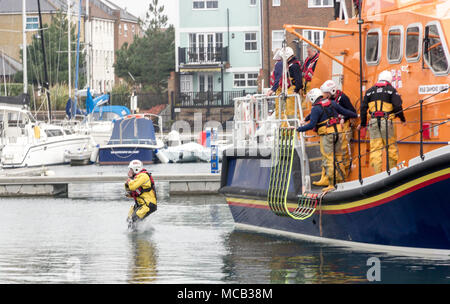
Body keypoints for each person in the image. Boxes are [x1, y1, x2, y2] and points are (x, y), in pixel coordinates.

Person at [297, 88, 357, 190]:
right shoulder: (332, 103)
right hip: (338, 133)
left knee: (328, 159)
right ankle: (341, 180)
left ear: (312, 98)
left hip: (327, 135)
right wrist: (355, 115)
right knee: (338, 157)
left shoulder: (316, 108)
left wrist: (299, 129)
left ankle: (331, 184)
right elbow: (345, 111)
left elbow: (312, 124)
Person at [359, 70, 406, 174]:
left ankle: (378, 174)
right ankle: (392, 172)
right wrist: (402, 119)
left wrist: (362, 124)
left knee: (375, 149)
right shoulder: (391, 90)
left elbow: (363, 108)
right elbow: (398, 106)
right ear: (389, 80)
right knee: (391, 147)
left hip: (373, 122)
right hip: (387, 122)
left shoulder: (369, 91)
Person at [320, 80, 356, 176]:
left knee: (343, 149)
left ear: (331, 91)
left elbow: (352, 111)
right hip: (334, 127)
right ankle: (336, 172)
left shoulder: (343, 98)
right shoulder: (329, 101)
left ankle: (345, 171)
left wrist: (343, 118)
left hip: (344, 127)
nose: (324, 95)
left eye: (326, 93)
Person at [266, 46, 303, 123]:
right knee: (287, 112)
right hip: (287, 91)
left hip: (292, 92)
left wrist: (296, 91)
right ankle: (289, 128)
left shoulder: (294, 66)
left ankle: (294, 128)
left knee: (291, 112)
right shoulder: (290, 65)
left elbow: (298, 81)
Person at [125, 159, 157, 228]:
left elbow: (133, 187)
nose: (129, 171)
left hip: (148, 204)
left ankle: (137, 236)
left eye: (131, 169)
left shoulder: (143, 176)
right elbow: (129, 189)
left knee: (134, 219)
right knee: (129, 220)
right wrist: (128, 182)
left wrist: (130, 180)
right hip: (140, 204)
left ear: (136, 169)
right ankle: (136, 235)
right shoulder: (136, 177)